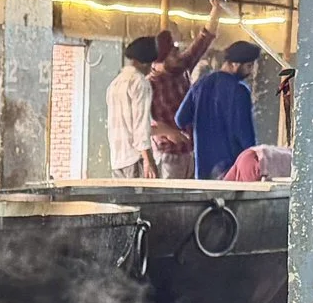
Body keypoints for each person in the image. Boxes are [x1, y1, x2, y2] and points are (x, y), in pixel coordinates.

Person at [175, 40, 261, 183]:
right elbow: (245, 134)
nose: (250, 72)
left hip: (203, 170)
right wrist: (256, 158)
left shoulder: (201, 84)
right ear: (234, 65)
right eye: (249, 66)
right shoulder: (239, 91)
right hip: (233, 170)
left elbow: (180, 119)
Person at [148, 13, 217, 177]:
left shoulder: (181, 68)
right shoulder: (149, 85)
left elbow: (203, 40)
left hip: (192, 152)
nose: (178, 56)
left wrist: (216, 10)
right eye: (173, 54)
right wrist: (169, 133)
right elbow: (141, 127)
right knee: (171, 199)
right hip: (169, 155)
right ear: (159, 61)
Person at [106, 36, 159, 179]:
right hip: (135, 159)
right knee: (140, 201)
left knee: (121, 201)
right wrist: (149, 161)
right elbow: (140, 127)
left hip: (117, 160)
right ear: (144, 63)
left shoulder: (114, 84)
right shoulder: (140, 83)